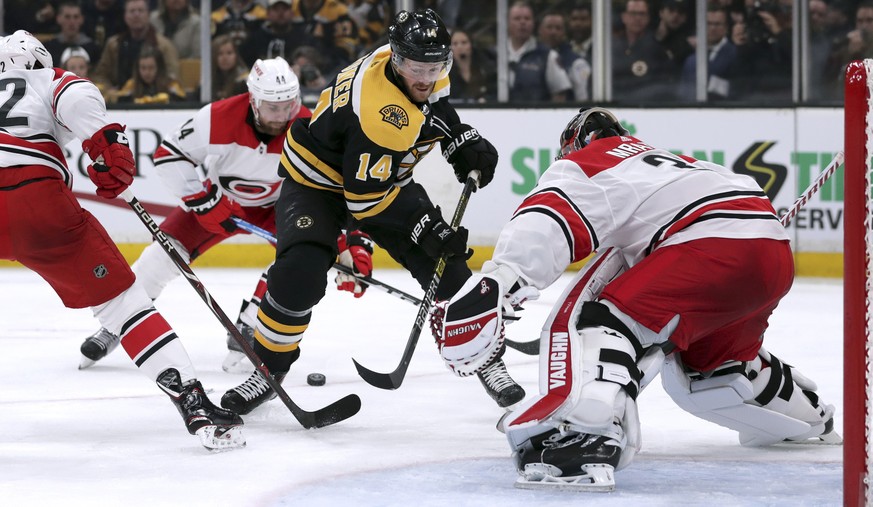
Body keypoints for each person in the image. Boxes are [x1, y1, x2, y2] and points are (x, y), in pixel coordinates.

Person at [434, 107, 839, 490]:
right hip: (771, 252)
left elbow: (549, 218)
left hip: (710, 246)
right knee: (712, 371)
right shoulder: (672, 161)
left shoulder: (594, 159)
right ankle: (809, 420)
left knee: (602, 321)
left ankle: (582, 437)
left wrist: (501, 285)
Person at [220, 9, 518, 415]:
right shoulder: (382, 114)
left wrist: (457, 138)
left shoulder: (414, 64)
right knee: (299, 272)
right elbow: (365, 203)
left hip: (380, 177)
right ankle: (267, 369)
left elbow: (435, 105)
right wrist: (426, 231)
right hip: (317, 184)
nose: (426, 76)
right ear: (396, 59)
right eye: (417, 67)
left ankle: (487, 361)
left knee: (447, 267)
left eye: (435, 66)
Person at [0, 30, 244, 451]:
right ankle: (194, 405)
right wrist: (108, 147)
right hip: (34, 203)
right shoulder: (49, 79)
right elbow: (78, 95)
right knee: (123, 303)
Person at [78, 57, 327, 375]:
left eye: (287, 105)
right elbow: (168, 154)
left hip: (276, 208)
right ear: (252, 99)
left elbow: (324, 185)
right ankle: (116, 325)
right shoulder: (219, 117)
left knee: (299, 259)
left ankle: (252, 323)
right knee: (158, 259)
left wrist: (342, 238)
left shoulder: (308, 126)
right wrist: (202, 201)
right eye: (271, 106)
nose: (281, 116)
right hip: (218, 200)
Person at [91, 0, 180, 102]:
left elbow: (173, 76)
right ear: (125, 16)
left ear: (148, 15)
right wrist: (110, 91)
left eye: (140, 11)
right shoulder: (113, 44)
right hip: (120, 101)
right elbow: (100, 75)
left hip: (155, 101)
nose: (136, 15)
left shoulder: (164, 46)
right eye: (132, 11)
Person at [505, 1, 572, 103]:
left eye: (527, 18)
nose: (522, 22)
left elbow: (560, 93)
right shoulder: (495, 54)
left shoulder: (548, 55)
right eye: (517, 18)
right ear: (507, 23)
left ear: (533, 23)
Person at [115, 45, 187, 104]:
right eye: (143, 68)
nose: (147, 72)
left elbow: (182, 101)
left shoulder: (171, 84)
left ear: (159, 68)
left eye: (151, 68)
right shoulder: (131, 85)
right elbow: (119, 101)